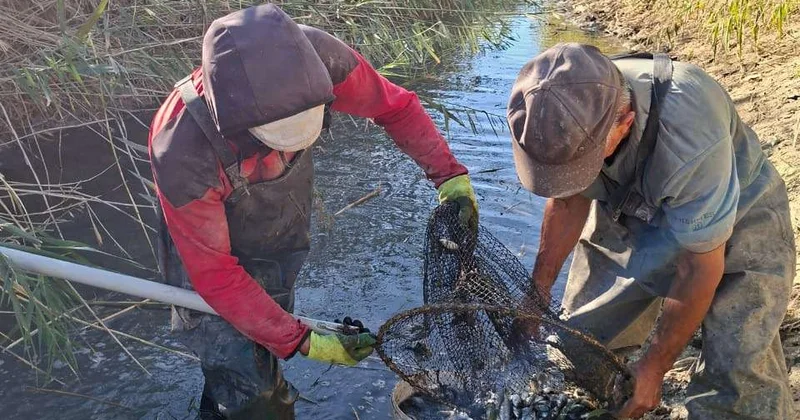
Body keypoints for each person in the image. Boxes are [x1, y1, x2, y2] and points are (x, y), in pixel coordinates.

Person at [147, 4, 478, 419]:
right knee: (249, 390)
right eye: (277, 141)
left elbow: (395, 107)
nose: (290, 150)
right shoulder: (181, 150)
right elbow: (216, 275)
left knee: (251, 359)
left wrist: (448, 176)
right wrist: (301, 341)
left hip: (277, 229)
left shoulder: (319, 59)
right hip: (209, 256)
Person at [507, 43, 795, 419]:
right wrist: (537, 294)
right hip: (631, 210)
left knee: (738, 376)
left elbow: (699, 267)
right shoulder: (566, 99)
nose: (571, 180)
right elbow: (566, 202)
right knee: (579, 347)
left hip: (739, 217)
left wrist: (656, 366)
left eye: (578, 167)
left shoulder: (689, 135)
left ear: (625, 123)